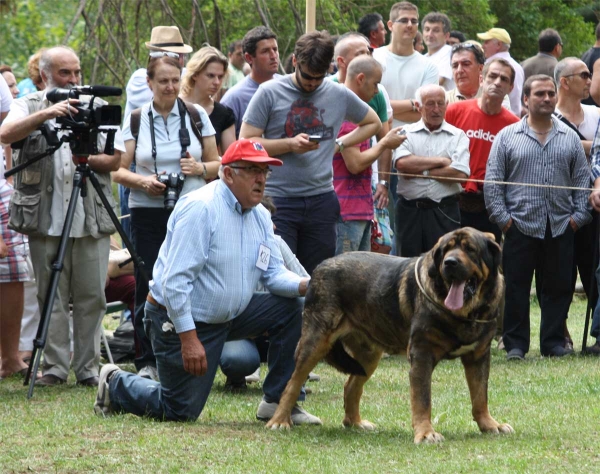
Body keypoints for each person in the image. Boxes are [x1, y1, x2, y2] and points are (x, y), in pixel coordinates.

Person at [94, 139, 321, 426]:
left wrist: (311, 286)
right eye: (252, 170)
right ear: (228, 174)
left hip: (229, 317)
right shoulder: (201, 208)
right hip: (176, 319)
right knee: (179, 410)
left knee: (298, 305)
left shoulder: (261, 216)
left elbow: (273, 273)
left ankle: (278, 402)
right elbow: (175, 284)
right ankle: (114, 381)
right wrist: (189, 339)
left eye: (265, 171)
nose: (261, 179)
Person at [0, 46, 125, 386]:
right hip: (44, 216)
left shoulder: (95, 105)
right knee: (50, 295)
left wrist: (83, 152)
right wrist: (47, 114)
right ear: (44, 76)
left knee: (91, 294)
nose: (73, 80)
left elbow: (115, 160)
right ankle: (55, 367)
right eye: (64, 73)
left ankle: (86, 368)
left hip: (88, 215)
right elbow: (5, 133)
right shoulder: (28, 104)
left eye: (76, 72)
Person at [111, 54, 221, 382]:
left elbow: (219, 163)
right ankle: (148, 358)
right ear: (149, 83)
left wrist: (200, 169)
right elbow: (117, 169)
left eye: (175, 80)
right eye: (163, 81)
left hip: (192, 209)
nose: (170, 87)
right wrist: (143, 181)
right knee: (148, 282)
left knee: (195, 278)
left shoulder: (196, 115)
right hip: (147, 211)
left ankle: (196, 352)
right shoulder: (135, 119)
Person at [240, 30, 381, 275]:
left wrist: (340, 144)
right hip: (278, 200)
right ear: (295, 61)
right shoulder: (270, 92)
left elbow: (373, 123)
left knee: (318, 277)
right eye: (307, 76)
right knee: (278, 273)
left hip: (321, 200)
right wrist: (289, 144)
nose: (312, 83)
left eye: (319, 77)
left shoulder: (337, 93)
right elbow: (247, 141)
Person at [484, 75, 592, 360]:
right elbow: (493, 183)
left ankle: (553, 343)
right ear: (526, 99)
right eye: (539, 94)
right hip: (520, 226)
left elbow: (581, 182)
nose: (546, 98)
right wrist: (505, 221)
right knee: (517, 288)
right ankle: (516, 344)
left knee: (558, 288)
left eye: (550, 93)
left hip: (560, 225)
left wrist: (577, 219)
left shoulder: (569, 137)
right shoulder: (507, 137)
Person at [335, 56, 405, 253]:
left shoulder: (358, 113)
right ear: (360, 79)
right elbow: (355, 164)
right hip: (346, 212)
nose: (376, 91)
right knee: (346, 278)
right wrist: (384, 143)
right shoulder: (346, 114)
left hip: (360, 210)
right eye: (375, 84)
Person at [445, 58, 519, 242]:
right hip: (452, 201)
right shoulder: (454, 110)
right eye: (492, 76)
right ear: (481, 80)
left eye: (504, 79)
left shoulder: (514, 126)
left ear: (510, 88)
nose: (497, 82)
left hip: (489, 207)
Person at [393, 84, 470, 257]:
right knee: (406, 264)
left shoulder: (458, 136)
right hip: (410, 211)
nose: (436, 109)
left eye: (440, 103)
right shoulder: (405, 132)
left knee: (444, 263)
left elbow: (461, 174)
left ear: (446, 105)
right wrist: (441, 162)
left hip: (444, 211)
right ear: (419, 107)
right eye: (430, 104)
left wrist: (422, 172)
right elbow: (403, 164)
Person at [554, 57, 600, 349]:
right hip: (561, 208)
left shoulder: (596, 114)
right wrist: (588, 146)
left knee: (593, 269)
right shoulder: (549, 113)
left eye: (590, 74)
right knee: (559, 274)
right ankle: (559, 332)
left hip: (593, 207)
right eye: (584, 74)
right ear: (565, 81)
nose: (588, 79)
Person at [221, 26, 280, 138]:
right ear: (248, 58)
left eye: (275, 49)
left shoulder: (287, 86)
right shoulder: (234, 99)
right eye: (265, 51)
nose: (273, 56)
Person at [123, 26, 192, 120]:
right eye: (174, 56)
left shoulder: (185, 74)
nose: (180, 60)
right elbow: (166, 102)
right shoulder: (139, 79)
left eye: (181, 55)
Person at [180, 46, 236, 155]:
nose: (216, 82)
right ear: (195, 74)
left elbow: (230, 159)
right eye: (210, 76)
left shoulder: (224, 114)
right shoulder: (173, 105)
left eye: (220, 77)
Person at [477, 28, 524, 116]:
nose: (483, 46)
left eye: (486, 42)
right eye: (493, 76)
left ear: (498, 44)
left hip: (493, 117)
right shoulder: (517, 66)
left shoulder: (489, 65)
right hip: (513, 120)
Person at [422, 12, 455, 91]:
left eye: (436, 31)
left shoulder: (449, 53)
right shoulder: (423, 58)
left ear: (446, 36)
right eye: (427, 29)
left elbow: (438, 83)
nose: (430, 34)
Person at [581, 22, 600, 107]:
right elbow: (595, 91)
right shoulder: (599, 58)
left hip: (585, 108)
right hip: (596, 112)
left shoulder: (587, 54)